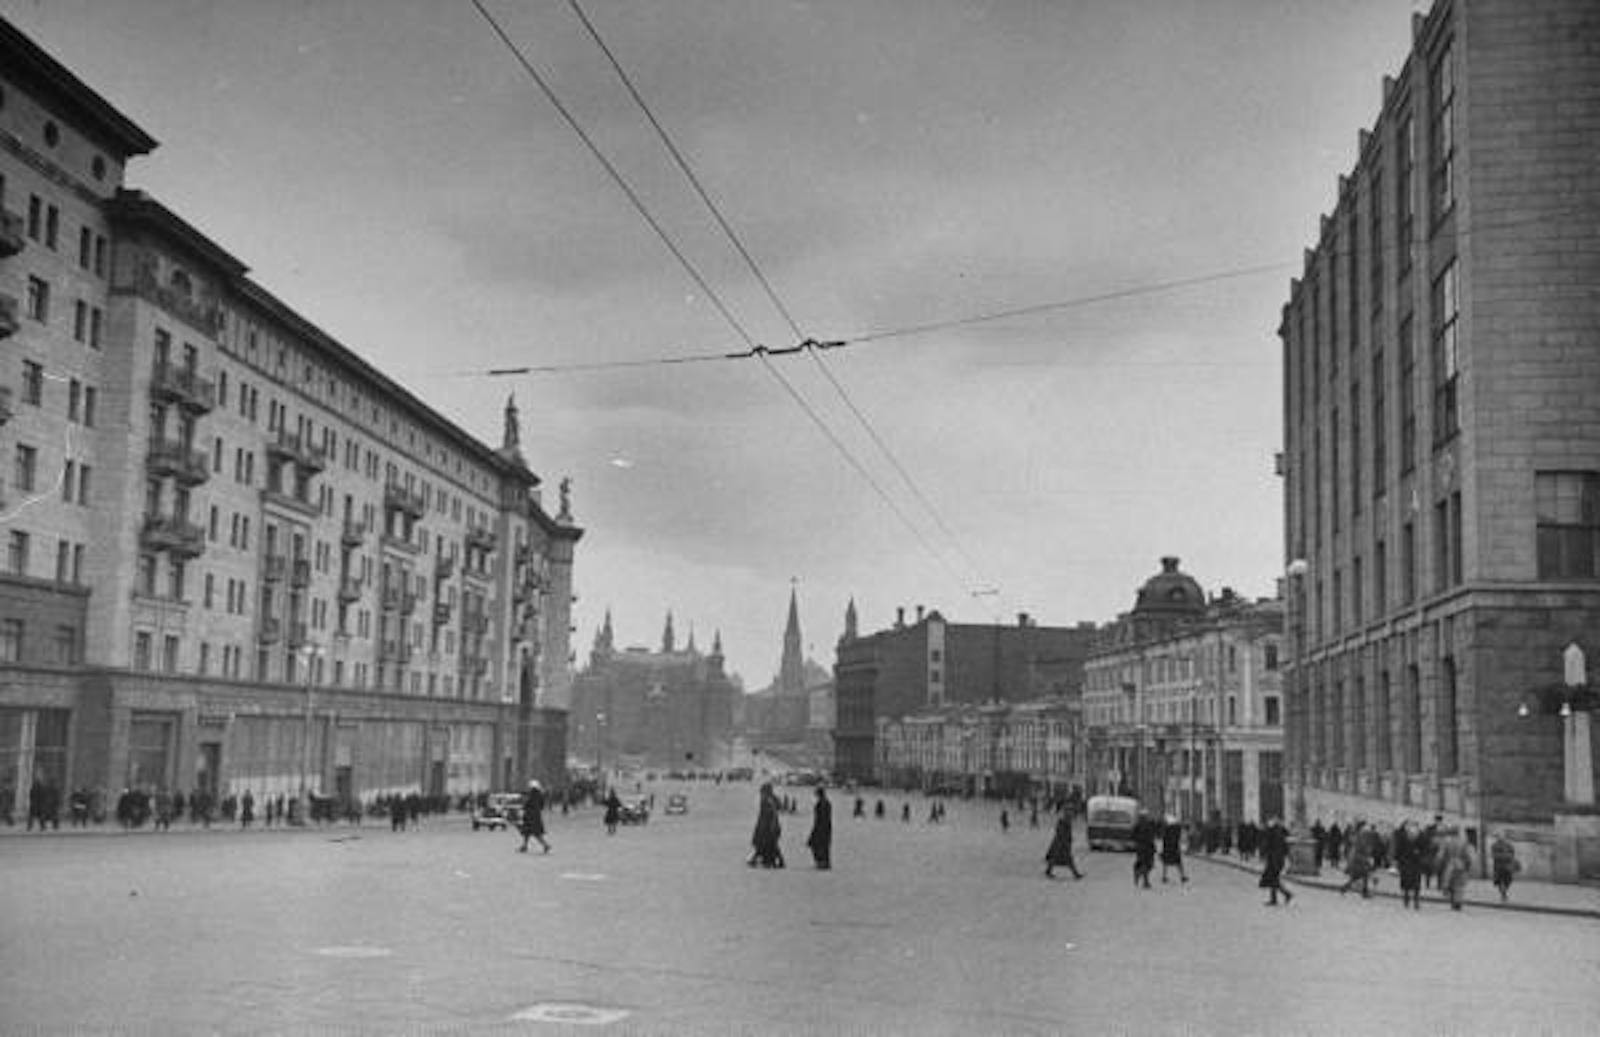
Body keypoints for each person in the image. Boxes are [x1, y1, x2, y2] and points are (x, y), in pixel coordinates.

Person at [1259, 817, 1294, 906]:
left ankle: (1287, 894)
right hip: (1278, 859)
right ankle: (1275, 899)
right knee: (1273, 879)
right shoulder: (1280, 834)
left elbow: (1266, 845)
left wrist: (1263, 854)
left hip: (1274, 860)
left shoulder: (1272, 833)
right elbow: (1285, 848)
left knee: (1273, 879)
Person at [749, 783, 784, 868]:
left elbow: (772, 814)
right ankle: (773, 861)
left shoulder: (768, 801)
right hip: (766, 826)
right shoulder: (769, 799)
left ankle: (766, 860)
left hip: (768, 827)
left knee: (767, 844)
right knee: (767, 844)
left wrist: (771, 826)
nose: (761, 794)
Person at [1440, 829, 1475, 911]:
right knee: (1459, 885)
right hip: (1461, 866)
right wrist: (1468, 865)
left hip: (1450, 866)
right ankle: (1458, 902)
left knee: (1450, 883)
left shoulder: (1447, 843)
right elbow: (1470, 857)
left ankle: (1453, 900)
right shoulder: (1465, 844)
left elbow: (1441, 855)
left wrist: (1442, 863)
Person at [1044, 809, 1084, 880]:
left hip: (1061, 843)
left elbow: (1065, 833)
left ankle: (1048, 871)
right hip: (1061, 844)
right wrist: (1066, 841)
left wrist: (1069, 839)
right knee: (1065, 859)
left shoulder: (1065, 822)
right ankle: (1076, 874)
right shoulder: (1063, 822)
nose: (1072, 817)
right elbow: (1061, 833)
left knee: (1057, 858)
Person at [1394, 819, 1424, 910]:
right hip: (1406, 862)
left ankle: (1415, 900)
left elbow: (1425, 848)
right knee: (1407, 882)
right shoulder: (1403, 836)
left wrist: (1420, 854)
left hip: (1415, 863)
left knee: (1416, 883)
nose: (1413, 829)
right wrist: (1398, 860)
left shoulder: (1421, 836)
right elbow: (1399, 849)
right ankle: (1407, 899)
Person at [518, 779, 550, 854]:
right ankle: (524, 846)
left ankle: (546, 845)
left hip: (530, 816)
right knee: (527, 832)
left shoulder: (531, 795)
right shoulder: (540, 795)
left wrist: (524, 807)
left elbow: (527, 804)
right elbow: (542, 805)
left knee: (534, 833)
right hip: (536, 815)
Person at [806, 787, 832, 870]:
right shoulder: (827, 803)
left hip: (821, 827)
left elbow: (820, 818)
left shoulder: (821, 804)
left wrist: (815, 830)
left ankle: (821, 862)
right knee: (823, 845)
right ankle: (824, 862)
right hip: (826, 827)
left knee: (817, 844)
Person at [1490, 831, 1519, 902]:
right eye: (1499, 836)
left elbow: (1512, 853)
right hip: (1498, 866)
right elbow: (1493, 855)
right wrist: (1503, 856)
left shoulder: (1509, 845)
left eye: (1502, 836)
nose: (1500, 838)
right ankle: (1503, 894)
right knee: (1500, 881)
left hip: (1507, 866)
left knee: (1508, 880)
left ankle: (1504, 891)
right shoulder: (1494, 845)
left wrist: (1508, 857)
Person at [1160, 815, 1188, 884]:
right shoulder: (1176, 829)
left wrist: (1163, 848)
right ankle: (1182, 876)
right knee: (1178, 863)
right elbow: (1180, 836)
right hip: (1174, 848)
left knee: (1166, 863)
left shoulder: (1166, 829)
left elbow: (1164, 839)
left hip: (1167, 848)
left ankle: (1164, 877)